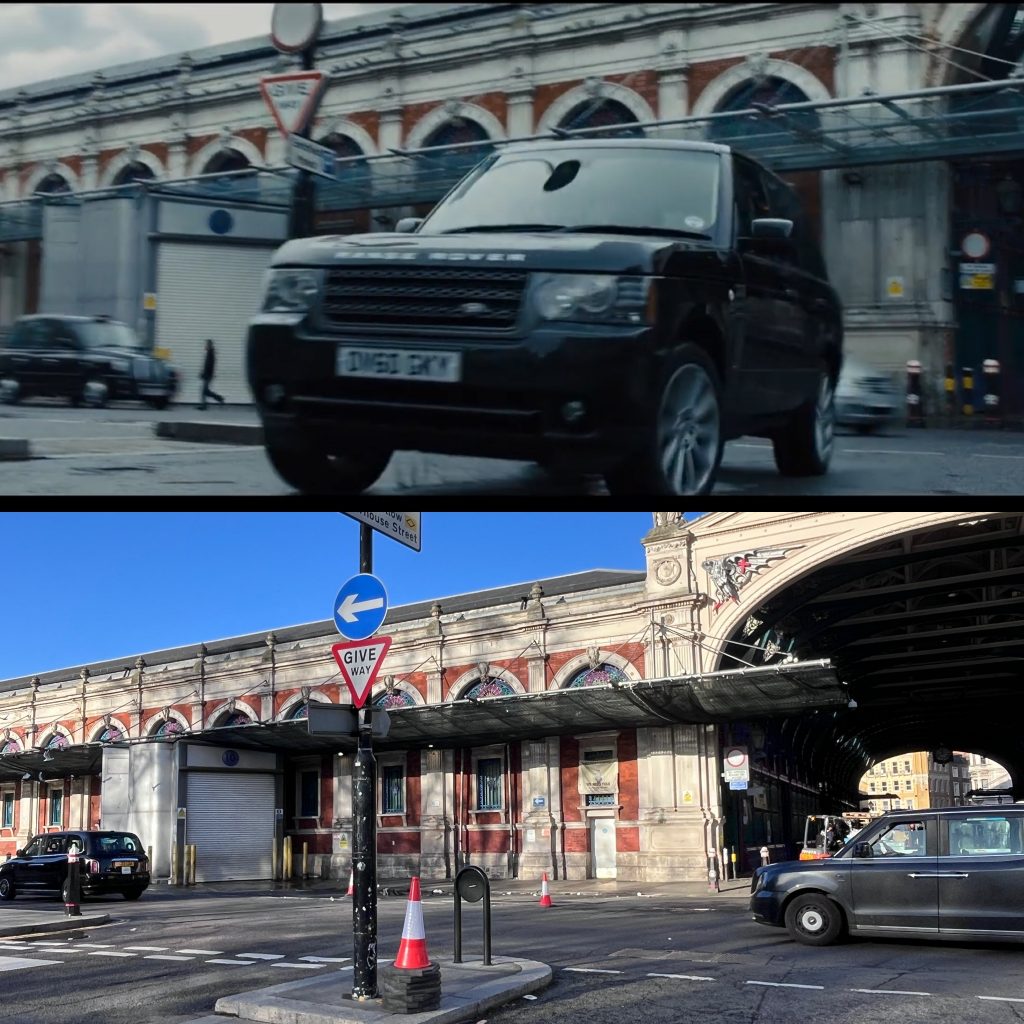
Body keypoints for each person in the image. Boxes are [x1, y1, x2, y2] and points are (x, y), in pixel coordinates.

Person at [198, 338, 225, 410]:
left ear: (209, 345)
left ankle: (205, 405)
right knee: (205, 391)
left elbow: (209, 365)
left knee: (204, 391)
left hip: (208, 375)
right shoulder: (209, 353)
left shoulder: (211, 353)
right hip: (207, 374)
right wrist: (202, 372)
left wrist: (204, 374)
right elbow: (207, 365)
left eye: (206, 344)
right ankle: (219, 399)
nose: (205, 346)